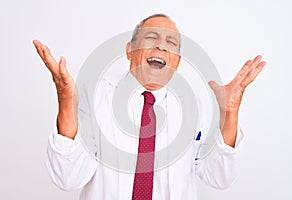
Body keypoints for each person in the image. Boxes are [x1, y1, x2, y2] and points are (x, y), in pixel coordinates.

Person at [33, 14, 266, 200]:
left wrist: (229, 113)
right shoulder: (96, 98)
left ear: (177, 62)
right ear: (129, 50)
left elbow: (219, 177)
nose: (162, 47)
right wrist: (65, 102)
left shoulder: (197, 106)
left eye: (171, 43)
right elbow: (67, 178)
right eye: (151, 38)